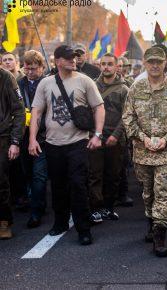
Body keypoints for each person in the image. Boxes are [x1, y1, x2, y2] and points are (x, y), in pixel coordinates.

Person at [29, 45, 105, 246]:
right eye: (69, 58)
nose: (74, 60)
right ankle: (60, 223)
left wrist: (97, 134)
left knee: (79, 185)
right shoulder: (46, 83)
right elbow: (36, 111)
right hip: (53, 144)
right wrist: (32, 139)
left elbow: (99, 107)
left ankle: (84, 229)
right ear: (58, 61)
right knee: (58, 186)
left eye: (75, 57)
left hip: (78, 142)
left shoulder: (84, 80)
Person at [122, 47, 167, 257]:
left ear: (166, 62)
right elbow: (128, 118)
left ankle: (160, 235)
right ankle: (151, 221)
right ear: (145, 62)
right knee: (148, 192)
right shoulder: (136, 87)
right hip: (142, 152)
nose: (155, 65)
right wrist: (143, 139)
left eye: (159, 61)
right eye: (151, 61)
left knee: (164, 193)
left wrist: (166, 139)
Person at [88, 53, 128, 224]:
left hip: (115, 139)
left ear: (117, 66)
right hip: (95, 136)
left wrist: (116, 135)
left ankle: (108, 207)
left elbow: (127, 115)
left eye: (110, 64)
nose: (106, 67)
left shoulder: (124, 89)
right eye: (103, 64)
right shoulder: (92, 86)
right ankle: (96, 208)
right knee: (94, 174)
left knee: (113, 175)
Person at [18, 50, 48, 228]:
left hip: (43, 136)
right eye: (26, 68)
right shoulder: (18, 83)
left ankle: (36, 211)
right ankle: (36, 201)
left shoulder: (48, 83)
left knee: (39, 175)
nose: (29, 72)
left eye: (33, 68)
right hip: (23, 134)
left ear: (42, 68)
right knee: (27, 174)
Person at [0, 67, 25, 239]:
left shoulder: (6, 77)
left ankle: (4, 222)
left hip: (2, 137)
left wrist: (15, 142)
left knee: (0, 182)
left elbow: (19, 111)